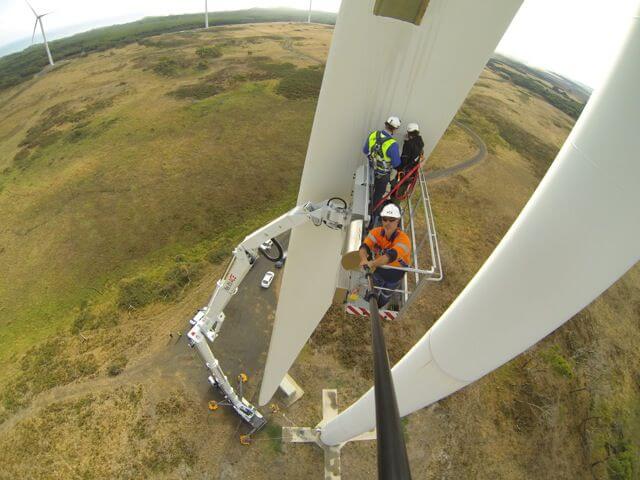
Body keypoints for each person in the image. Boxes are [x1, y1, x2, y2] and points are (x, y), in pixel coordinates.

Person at [358, 203, 411, 308]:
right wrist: (364, 259)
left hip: (395, 272)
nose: (388, 223)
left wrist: (371, 263)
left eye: (392, 220)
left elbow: (389, 257)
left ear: (398, 221)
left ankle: (380, 305)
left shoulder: (403, 240)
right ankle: (369, 303)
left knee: (386, 293)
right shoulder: (376, 232)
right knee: (374, 286)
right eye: (385, 219)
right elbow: (364, 247)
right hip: (380, 268)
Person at [362, 116, 402, 227]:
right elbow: (396, 164)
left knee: (368, 191)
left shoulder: (373, 135)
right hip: (382, 176)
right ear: (395, 129)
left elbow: (365, 150)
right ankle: (372, 219)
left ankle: (367, 208)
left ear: (385, 124)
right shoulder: (393, 145)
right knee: (377, 197)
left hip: (371, 170)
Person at [392, 122, 425, 200]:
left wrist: (397, 167)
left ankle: (392, 205)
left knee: (396, 191)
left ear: (408, 132)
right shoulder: (420, 143)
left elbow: (404, 159)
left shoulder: (409, 144)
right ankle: (394, 204)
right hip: (412, 173)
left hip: (404, 173)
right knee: (402, 190)